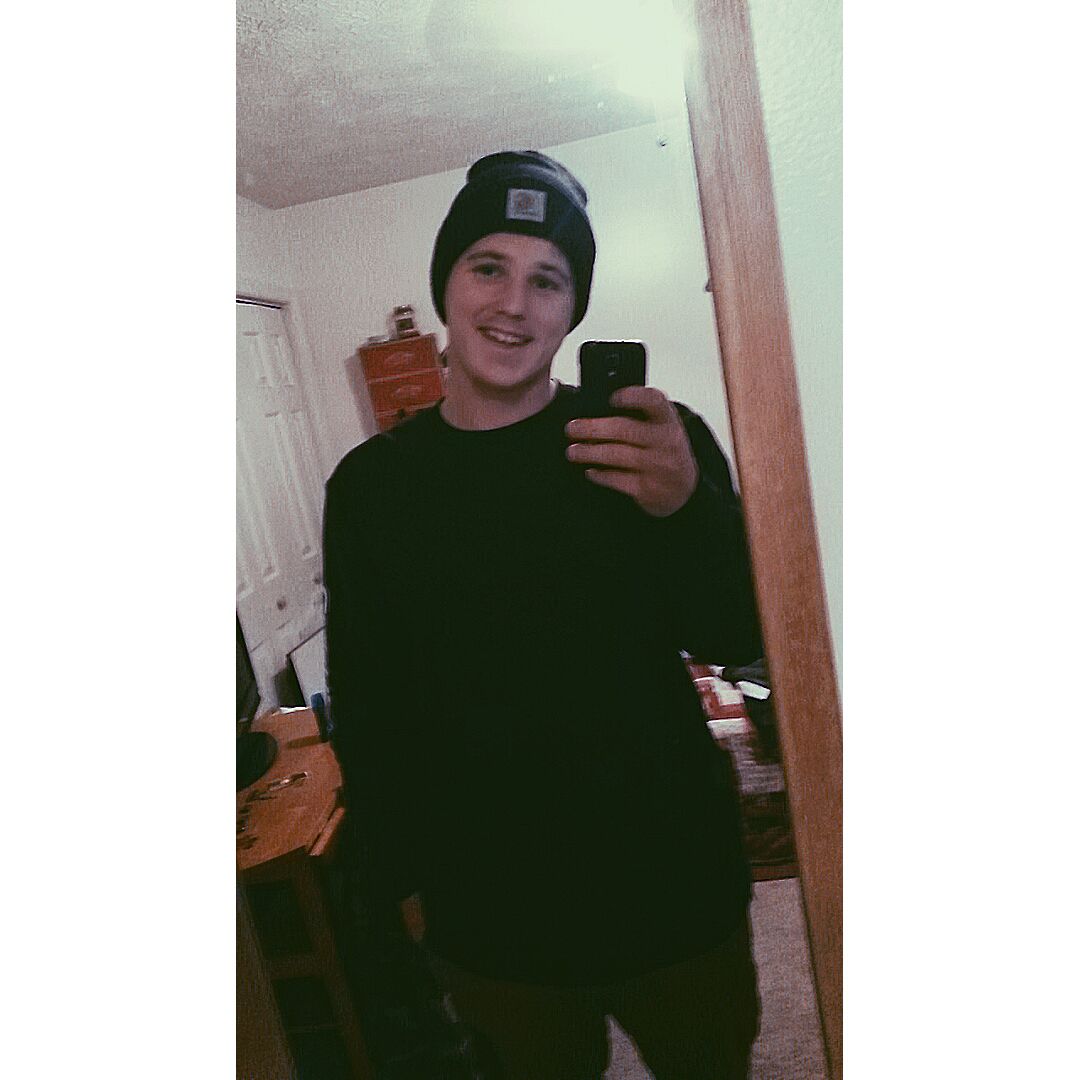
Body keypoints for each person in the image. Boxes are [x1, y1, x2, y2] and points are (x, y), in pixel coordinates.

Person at [324, 150, 764, 1080]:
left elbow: (742, 640)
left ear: (574, 310)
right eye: (489, 267)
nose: (514, 304)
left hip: (673, 881)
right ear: (446, 284)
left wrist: (686, 508)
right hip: (494, 914)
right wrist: (398, 884)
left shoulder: (655, 441)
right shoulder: (372, 489)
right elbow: (369, 702)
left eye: (549, 280)